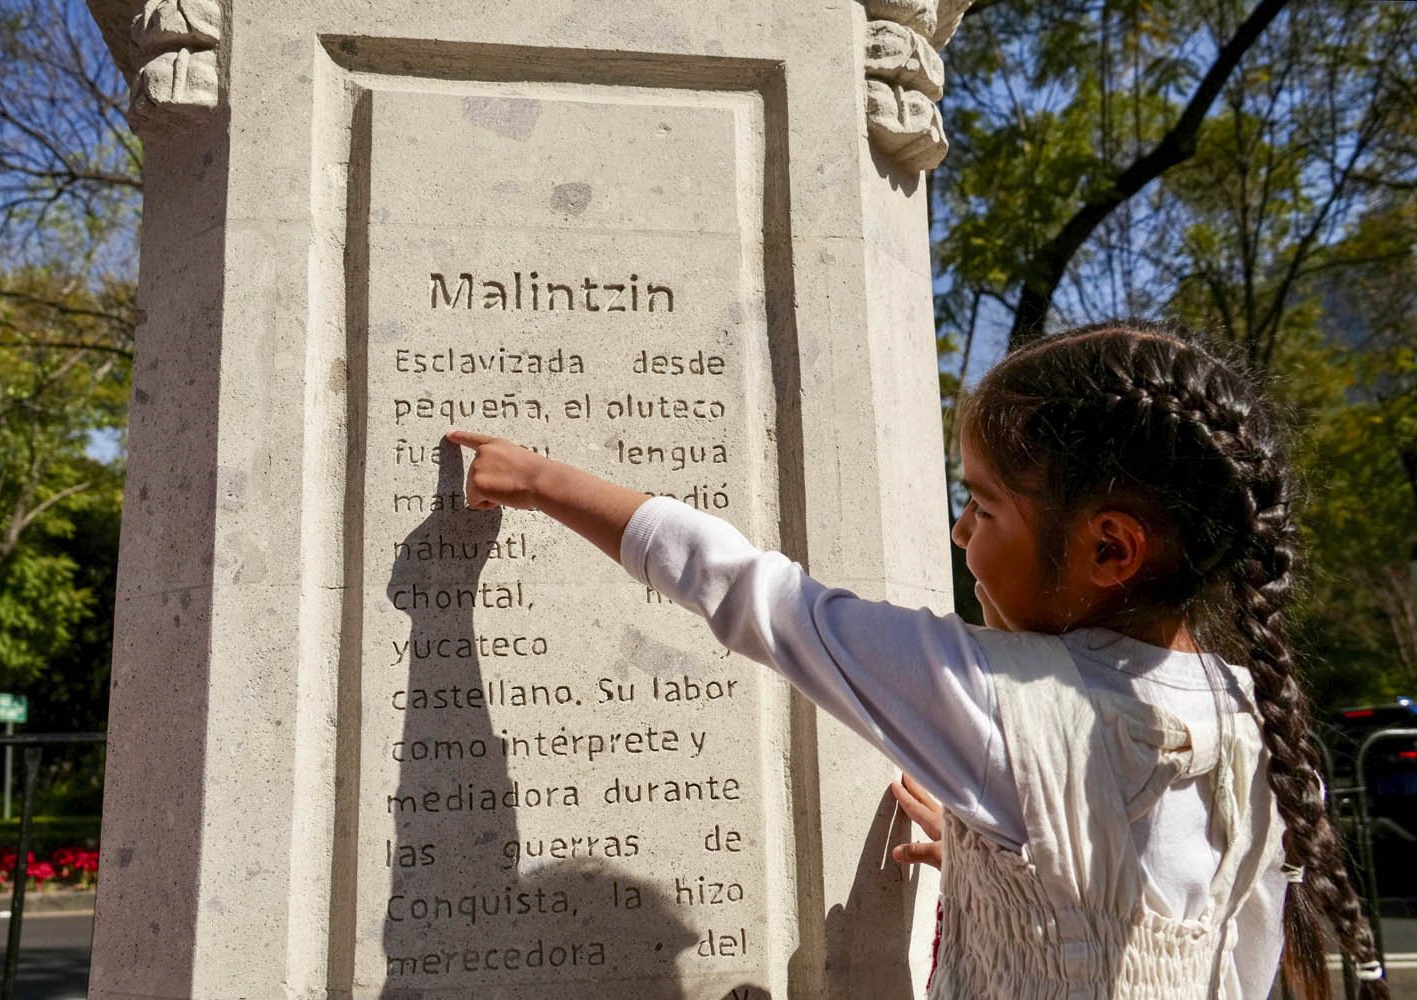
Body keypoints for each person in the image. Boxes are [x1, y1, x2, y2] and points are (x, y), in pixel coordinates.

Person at [446, 322, 1385, 999]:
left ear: (1109, 551)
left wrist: (541, 478)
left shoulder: (1004, 702)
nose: (959, 529)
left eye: (982, 505)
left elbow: (754, 595)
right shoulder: (1247, 712)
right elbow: (1213, 929)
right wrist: (1016, 855)